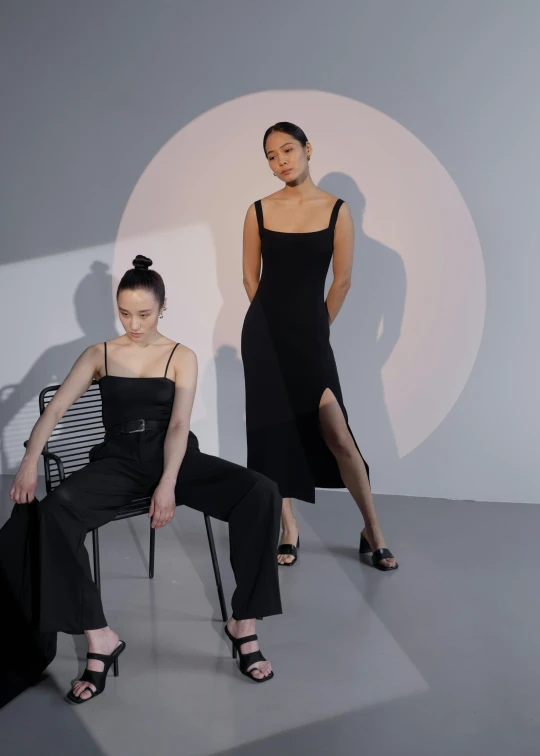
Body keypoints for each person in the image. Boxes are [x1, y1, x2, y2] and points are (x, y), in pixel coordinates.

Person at [2, 255, 281, 704]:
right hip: (118, 461)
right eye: (125, 313)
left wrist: (168, 483)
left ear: (163, 308)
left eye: (144, 314)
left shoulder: (180, 356)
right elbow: (55, 410)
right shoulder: (100, 354)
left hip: (175, 458)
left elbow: (177, 425)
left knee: (261, 493)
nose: (134, 323)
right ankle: (99, 639)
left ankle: (243, 624)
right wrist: (32, 458)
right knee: (55, 513)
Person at [241, 122, 398, 570]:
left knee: (338, 434)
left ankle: (374, 529)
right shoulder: (258, 210)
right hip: (264, 340)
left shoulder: (337, 211)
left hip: (310, 339)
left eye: (287, 150)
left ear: (308, 149)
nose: (281, 161)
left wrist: (313, 329)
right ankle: (288, 528)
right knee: (274, 435)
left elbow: (342, 281)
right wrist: (274, 328)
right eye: (271, 156)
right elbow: (250, 279)